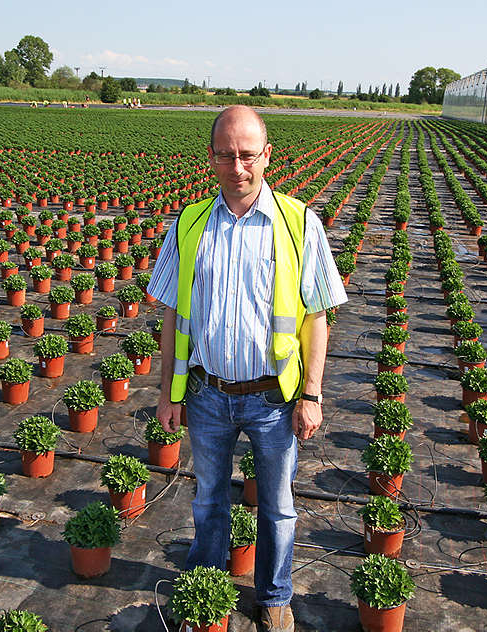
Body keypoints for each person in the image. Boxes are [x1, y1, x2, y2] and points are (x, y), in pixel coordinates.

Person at [147, 105, 346, 631]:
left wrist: (313, 393)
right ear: (211, 157)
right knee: (208, 498)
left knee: (278, 506)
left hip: (273, 400)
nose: (238, 166)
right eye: (226, 154)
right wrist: (169, 392)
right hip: (207, 394)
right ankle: (205, 591)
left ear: (267, 157)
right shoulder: (187, 224)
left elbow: (318, 315)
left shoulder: (300, 222)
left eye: (247, 155)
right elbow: (171, 313)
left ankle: (274, 597)